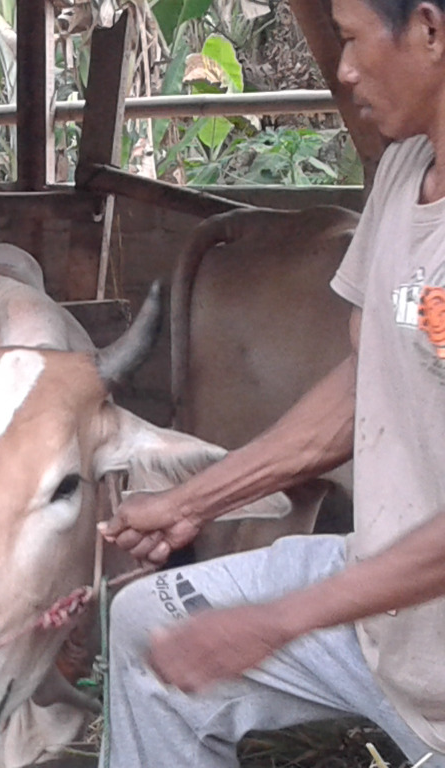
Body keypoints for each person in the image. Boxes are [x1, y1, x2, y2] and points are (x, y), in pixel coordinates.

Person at [96, 0, 445, 764]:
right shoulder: (404, 174)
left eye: (351, 40)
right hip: (384, 616)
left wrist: (282, 619)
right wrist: (193, 502)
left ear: (429, 29)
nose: (343, 69)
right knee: (147, 626)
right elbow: (365, 380)